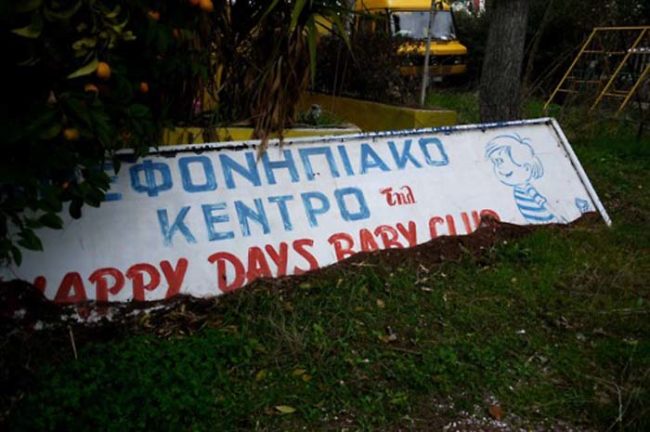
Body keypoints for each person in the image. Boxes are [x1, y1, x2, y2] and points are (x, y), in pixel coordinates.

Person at [485, 134, 557, 223]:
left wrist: (559, 218)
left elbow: (543, 203)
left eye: (500, 161)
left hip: (547, 221)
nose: (498, 167)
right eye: (495, 162)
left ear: (526, 167)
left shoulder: (527, 189)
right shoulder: (518, 189)